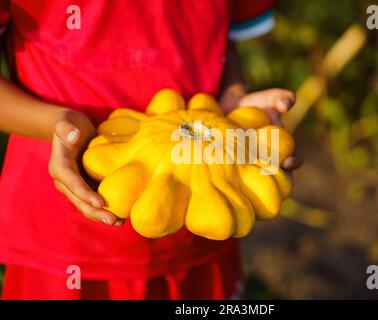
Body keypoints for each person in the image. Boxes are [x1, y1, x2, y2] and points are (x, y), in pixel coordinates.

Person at [0, 0, 298, 299]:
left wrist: (233, 97)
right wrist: (53, 123)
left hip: (204, 235)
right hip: (61, 241)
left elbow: (223, 38)